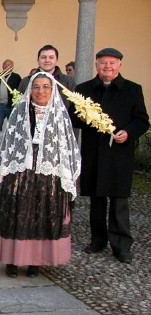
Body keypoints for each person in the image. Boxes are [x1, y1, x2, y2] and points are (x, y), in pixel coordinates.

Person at [0, 72, 81, 277]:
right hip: (22, 171)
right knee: (17, 212)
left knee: (42, 214)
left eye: (46, 87)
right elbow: (10, 143)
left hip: (48, 173)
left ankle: (35, 262)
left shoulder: (59, 114)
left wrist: (63, 173)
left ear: (53, 90)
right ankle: (12, 260)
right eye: (36, 87)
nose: (41, 91)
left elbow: (67, 146)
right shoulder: (19, 112)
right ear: (30, 90)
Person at [72, 48, 149, 264]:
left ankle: (122, 245)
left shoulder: (133, 90)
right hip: (94, 151)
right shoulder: (84, 89)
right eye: (103, 63)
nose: (108, 67)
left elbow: (142, 120)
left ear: (119, 66)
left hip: (119, 154)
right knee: (96, 200)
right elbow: (74, 118)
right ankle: (98, 239)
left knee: (118, 201)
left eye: (112, 63)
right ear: (97, 65)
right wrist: (89, 118)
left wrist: (129, 132)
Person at [0, 59, 22, 132]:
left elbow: (20, 90)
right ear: (2, 66)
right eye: (5, 64)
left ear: (12, 67)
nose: (6, 66)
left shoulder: (16, 77)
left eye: (8, 65)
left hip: (11, 105)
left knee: (12, 125)